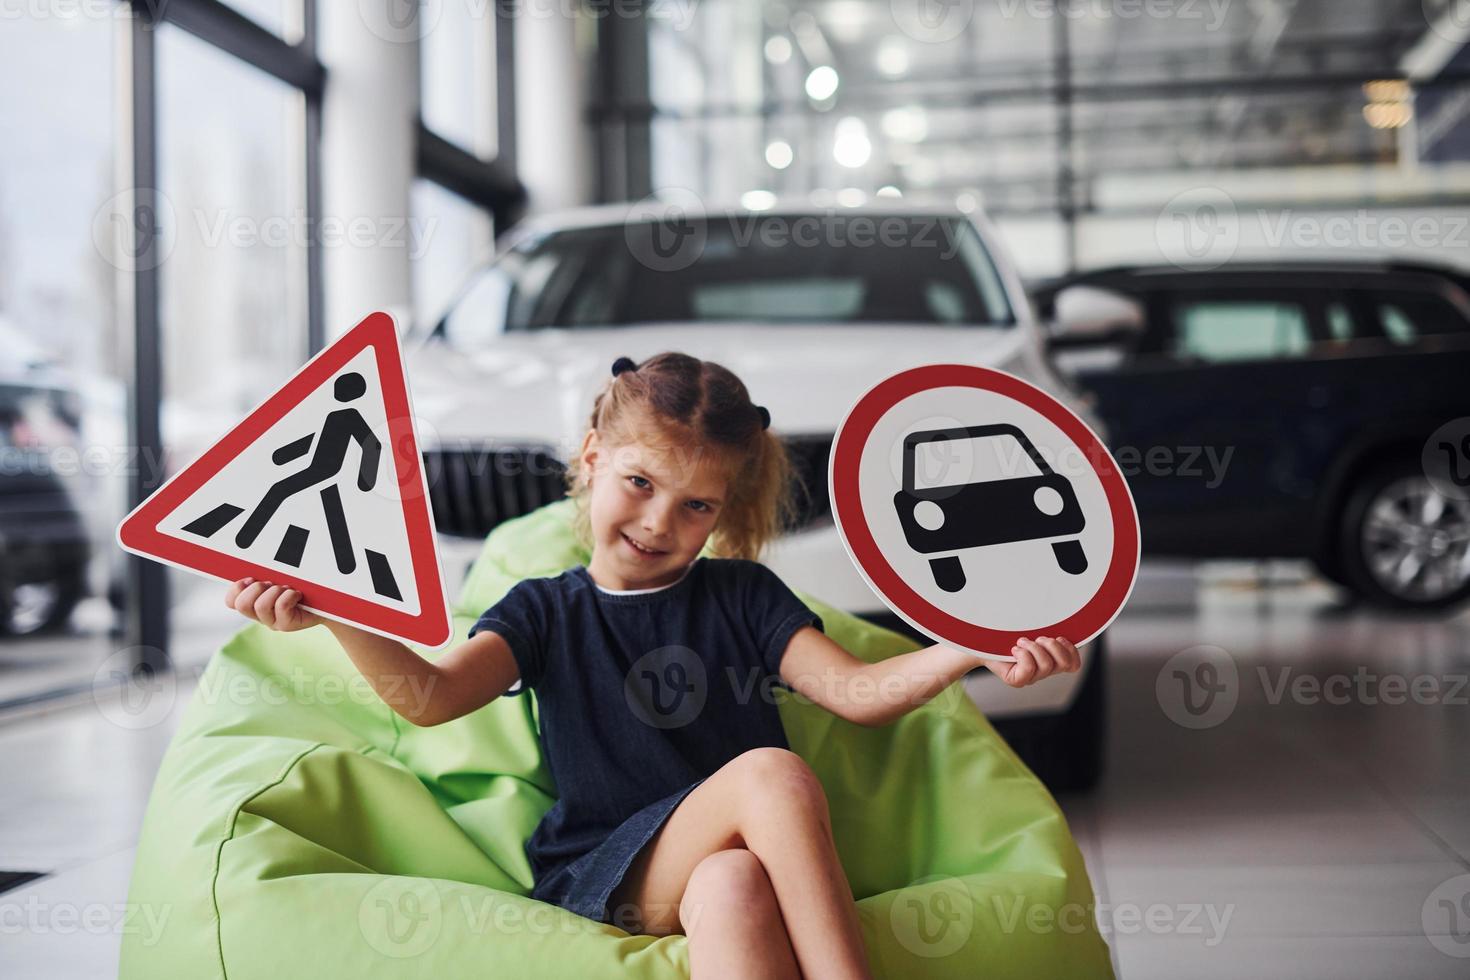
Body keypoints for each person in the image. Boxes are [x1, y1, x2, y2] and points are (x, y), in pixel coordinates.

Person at [224, 352, 1081, 980]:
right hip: (606, 867)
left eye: (695, 504)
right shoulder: (545, 607)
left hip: (711, 864)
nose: (659, 521)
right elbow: (432, 698)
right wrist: (332, 612)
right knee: (772, 776)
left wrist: (976, 646)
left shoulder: (743, 595)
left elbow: (857, 694)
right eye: (639, 482)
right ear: (594, 460)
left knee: (739, 883)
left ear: (722, 510)